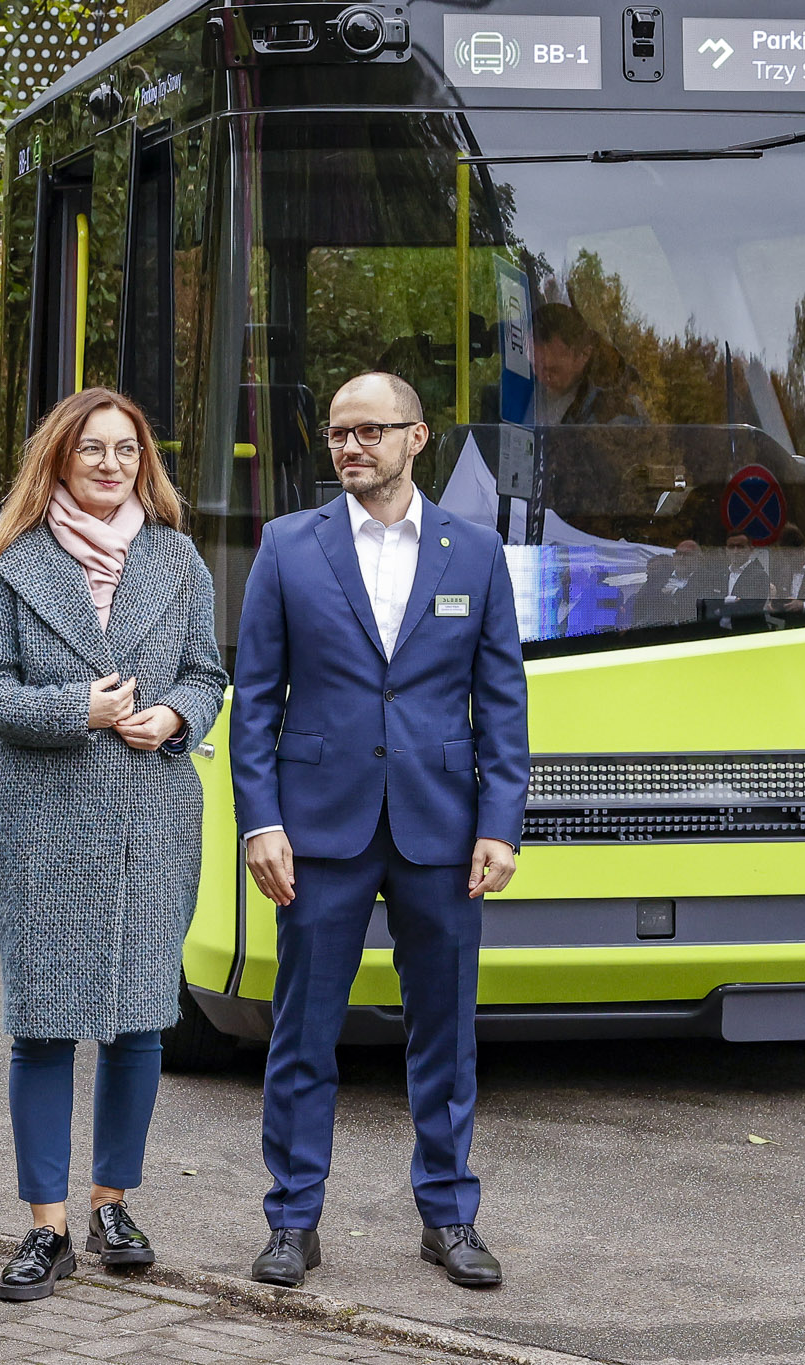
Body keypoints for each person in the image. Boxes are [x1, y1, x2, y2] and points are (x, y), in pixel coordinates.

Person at [231, 371, 530, 1292]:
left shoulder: (475, 553)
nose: (350, 446)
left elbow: (503, 700)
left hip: (442, 830)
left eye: (370, 431)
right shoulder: (288, 546)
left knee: (444, 1032)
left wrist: (501, 824)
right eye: (337, 433)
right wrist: (261, 821)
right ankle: (292, 1221)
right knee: (302, 1030)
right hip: (319, 828)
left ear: (418, 438)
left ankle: (449, 1216)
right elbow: (255, 702)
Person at [0, 387, 228, 1302]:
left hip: (152, 817)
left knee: (140, 1019)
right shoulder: (11, 564)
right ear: (59, 461)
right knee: (42, 1025)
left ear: (142, 459)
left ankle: (113, 1200)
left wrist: (177, 715)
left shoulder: (178, 558)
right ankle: (47, 1225)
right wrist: (82, 710)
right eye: (92, 451)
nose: (110, 465)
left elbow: (208, 672)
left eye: (125, 450)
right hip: (44, 824)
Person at [529, 302, 646, 427]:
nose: (541, 377)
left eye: (553, 370)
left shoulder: (614, 415)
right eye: (536, 366)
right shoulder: (524, 388)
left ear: (584, 355)